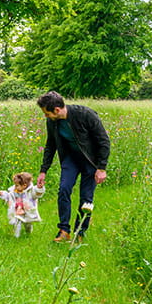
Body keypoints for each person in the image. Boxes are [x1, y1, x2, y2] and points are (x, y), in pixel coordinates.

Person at [35, 91, 110, 243]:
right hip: (71, 159)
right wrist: (43, 170)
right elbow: (50, 145)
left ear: (56, 110)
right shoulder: (52, 122)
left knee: (86, 198)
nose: (45, 116)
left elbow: (103, 141)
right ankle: (64, 231)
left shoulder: (85, 114)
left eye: (46, 113)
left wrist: (101, 168)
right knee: (64, 190)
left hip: (90, 161)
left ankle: (79, 232)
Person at [0, 172, 45, 237]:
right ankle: (16, 236)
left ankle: (28, 233)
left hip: (27, 212)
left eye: (17, 185)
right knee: (17, 222)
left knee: (28, 224)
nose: (15, 187)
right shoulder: (14, 191)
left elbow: (37, 193)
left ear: (24, 185)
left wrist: (39, 188)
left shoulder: (30, 192)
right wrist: (3, 194)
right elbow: (9, 196)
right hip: (17, 211)